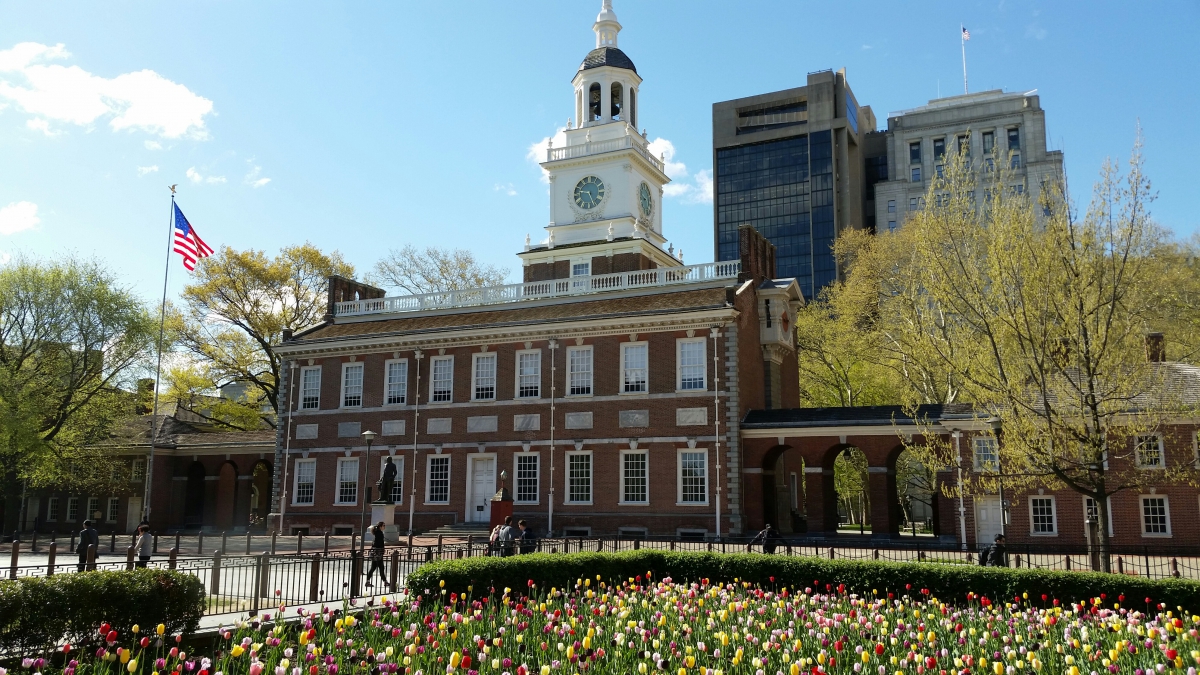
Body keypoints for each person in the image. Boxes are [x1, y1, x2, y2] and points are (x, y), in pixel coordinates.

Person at [364, 521, 389, 589]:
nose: (384, 527)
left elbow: (374, 543)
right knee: (381, 567)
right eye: (383, 525)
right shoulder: (379, 533)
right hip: (378, 552)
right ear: (380, 526)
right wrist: (382, 550)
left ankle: (368, 581)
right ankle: (385, 581)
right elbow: (380, 543)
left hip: (375, 552)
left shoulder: (377, 532)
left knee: (373, 567)